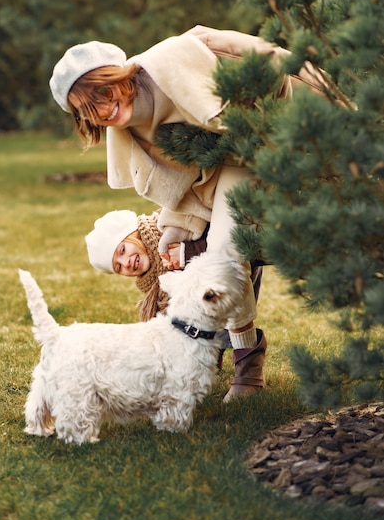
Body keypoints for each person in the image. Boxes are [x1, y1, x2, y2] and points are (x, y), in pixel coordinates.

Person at [50, 25, 323, 401]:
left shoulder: (175, 59)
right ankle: (199, 352)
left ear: (118, 76)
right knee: (181, 248)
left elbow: (272, 63)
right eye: (88, 110)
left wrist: (275, 128)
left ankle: (247, 357)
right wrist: (176, 229)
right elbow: (188, 180)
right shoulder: (132, 131)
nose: (104, 110)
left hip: (280, 137)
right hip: (226, 168)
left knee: (225, 249)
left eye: (104, 93)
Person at [84, 209, 264, 374]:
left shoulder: (172, 224)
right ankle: (205, 353)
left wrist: (187, 253)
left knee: (222, 302)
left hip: (231, 269)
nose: (126, 263)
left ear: (134, 234)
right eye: (118, 267)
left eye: (123, 250)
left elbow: (221, 239)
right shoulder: (153, 283)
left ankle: (248, 362)